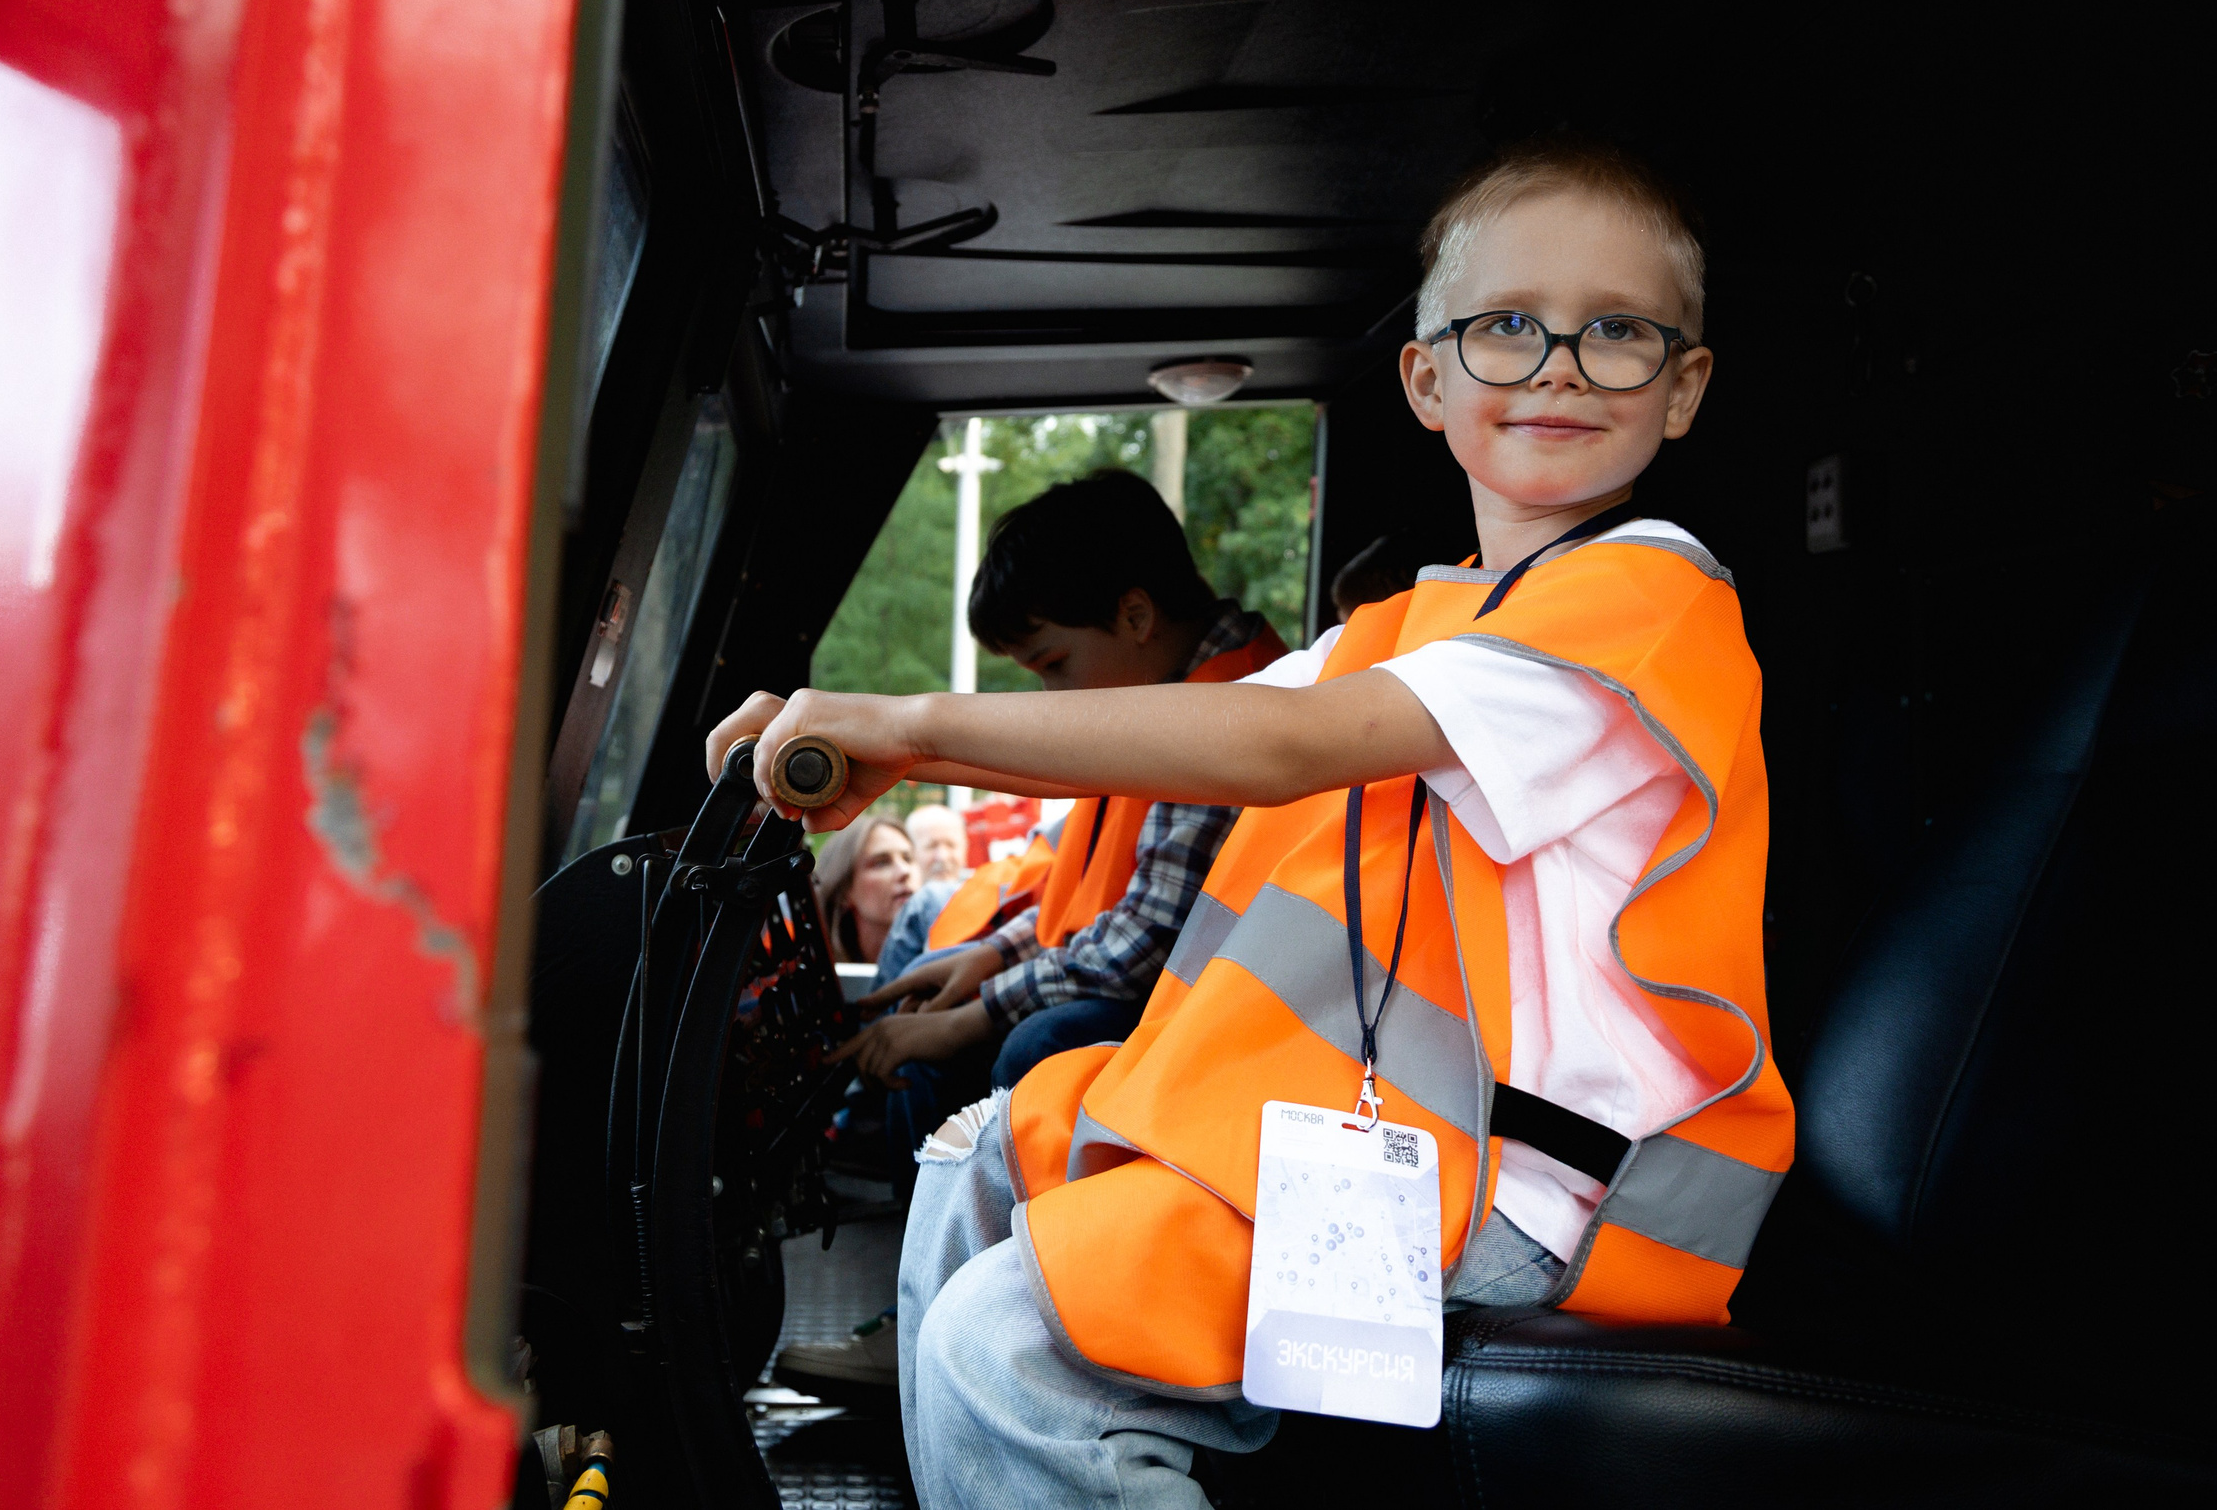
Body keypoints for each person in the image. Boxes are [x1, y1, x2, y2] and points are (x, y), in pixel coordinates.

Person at [714, 135, 1788, 1509]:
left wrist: (908, 725)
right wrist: (879, 744)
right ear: (1427, 379)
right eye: (1508, 325)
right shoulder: (1423, 623)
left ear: (1684, 388)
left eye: (1619, 330)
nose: (1561, 365)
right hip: (1410, 1153)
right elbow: (1177, 735)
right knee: (979, 1150)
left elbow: (1275, 745)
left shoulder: (1647, 599)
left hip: (1537, 1205)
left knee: (1006, 1348)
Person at [775, 473, 1285, 1398]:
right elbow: (1094, 888)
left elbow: (1145, 939)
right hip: (1159, 982)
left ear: (1135, 616)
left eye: (1052, 664)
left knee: (1031, 1044)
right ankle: (925, 1305)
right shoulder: (1157, 697)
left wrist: (974, 1017)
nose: (1049, 696)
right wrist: (988, 957)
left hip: (1221, 1024)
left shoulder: (1230, 706)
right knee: (953, 999)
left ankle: (1001, 1335)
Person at [811, 812, 918, 966]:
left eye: (908, 859)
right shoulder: (814, 968)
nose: (904, 871)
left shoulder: (943, 959)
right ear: (844, 889)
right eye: (881, 863)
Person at [903, 803, 970, 887]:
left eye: (951, 845)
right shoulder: (896, 894)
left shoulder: (980, 890)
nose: (942, 857)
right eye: (931, 846)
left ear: (965, 849)